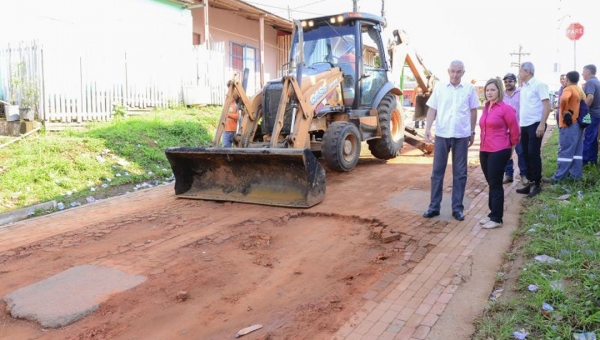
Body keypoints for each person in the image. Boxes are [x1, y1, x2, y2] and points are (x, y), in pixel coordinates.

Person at [422, 60, 479, 221]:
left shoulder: (469, 89)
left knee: (460, 173)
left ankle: (457, 209)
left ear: (463, 73)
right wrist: (427, 128)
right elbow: (432, 109)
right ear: (448, 71)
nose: (455, 74)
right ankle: (434, 207)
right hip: (442, 135)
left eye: (458, 71)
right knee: (437, 173)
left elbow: (473, 111)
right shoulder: (440, 88)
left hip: (461, 136)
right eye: (453, 71)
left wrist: (472, 131)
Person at [478, 78, 520, 229]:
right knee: (491, 182)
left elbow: (515, 130)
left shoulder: (505, 108)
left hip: (499, 149)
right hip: (484, 150)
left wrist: (512, 149)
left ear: (499, 91)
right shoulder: (486, 107)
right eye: (487, 90)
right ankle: (492, 213)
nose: (489, 93)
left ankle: (497, 218)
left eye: (493, 90)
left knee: (496, 183)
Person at [515, 62, 551, 198]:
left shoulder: (539, 85)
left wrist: (542, 124)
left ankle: (537, 183)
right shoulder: (524, 87)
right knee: (524, 153)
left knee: (533, 153)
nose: (519, 73)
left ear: (527, 71)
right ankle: (530, 182)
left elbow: (547, 106)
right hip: (524, 125)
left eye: (521, 71)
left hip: (536, 124)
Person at [550, 71, 585, 182]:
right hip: (578, 124)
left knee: (565, 151)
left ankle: (558, 178)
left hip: (569, 124)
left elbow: (564, 99)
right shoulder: (579, 90)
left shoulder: (568, 89)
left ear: (568, 79)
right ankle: (575, 176)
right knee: (577, 152)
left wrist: (565, 111)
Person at [501, 73, 527, 185]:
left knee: (521, 152)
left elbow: (525, 108)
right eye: (506, 81)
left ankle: (524, 175)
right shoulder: (501, 95)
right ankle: (508, 174)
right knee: (506, 153)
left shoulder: (521, 92)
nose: (508, 83)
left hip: (519, 128)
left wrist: (521, 125)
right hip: (505, 130)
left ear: (515, 82)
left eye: (510, 81)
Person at [581, 64, 600, 165]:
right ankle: (593, 159)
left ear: (588, 72)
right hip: (597, 114)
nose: (582, 74)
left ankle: (583, 161)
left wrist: (583, 111)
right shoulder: (597, 82)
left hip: (591, 114)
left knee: (588, 137)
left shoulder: (590, 82)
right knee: (593, 137)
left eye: (583, 72)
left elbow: (590, 97)